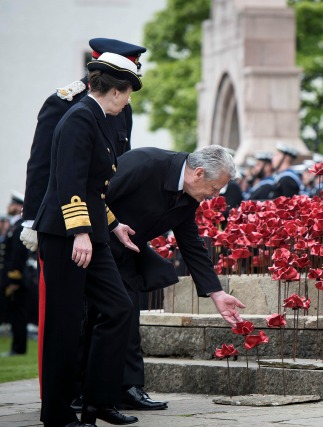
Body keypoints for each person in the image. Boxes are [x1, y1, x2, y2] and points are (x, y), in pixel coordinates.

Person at [33, 52, 143, 427]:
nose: (128, 102)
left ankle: (99, 401)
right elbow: (69, 181)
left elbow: (95, 189)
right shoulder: (80, 118)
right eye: (127, 94)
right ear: (115, 91)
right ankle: (58, 414)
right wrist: (80, 231)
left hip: (91, 230)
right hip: (66, 235)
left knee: (118, 308)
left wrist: (112, 225)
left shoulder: (98, 118)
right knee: (64, 324)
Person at [105, 144, 246, 411]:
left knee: (129, 318)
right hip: (94, 246)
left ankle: (128, 388)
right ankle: (80, 391)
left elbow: (190, 242)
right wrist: (111, 226)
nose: (213, 196)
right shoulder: (145, 163)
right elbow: (95, 196)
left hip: (127, 256)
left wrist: (216, 293)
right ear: (199, 173)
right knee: (97, 319)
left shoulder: (189, 193)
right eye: (214, 189)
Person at [21, 38, 146, 252]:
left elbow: (120, 162)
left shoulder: (123, 108)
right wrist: (32, 219)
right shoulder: (64, 103)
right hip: (63, 219)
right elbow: (42, 164)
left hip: (102, 218)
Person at [1, 192, 36, 357]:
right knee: (14, 313)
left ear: (18, 207)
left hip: (18, 279)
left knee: (18, 315)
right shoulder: (14, 226)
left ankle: (19, 348)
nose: (9, 206)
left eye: (12, 204)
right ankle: (16, 346)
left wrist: (14, 279)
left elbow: (18, 255)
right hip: (14, 278)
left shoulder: (20, 226)